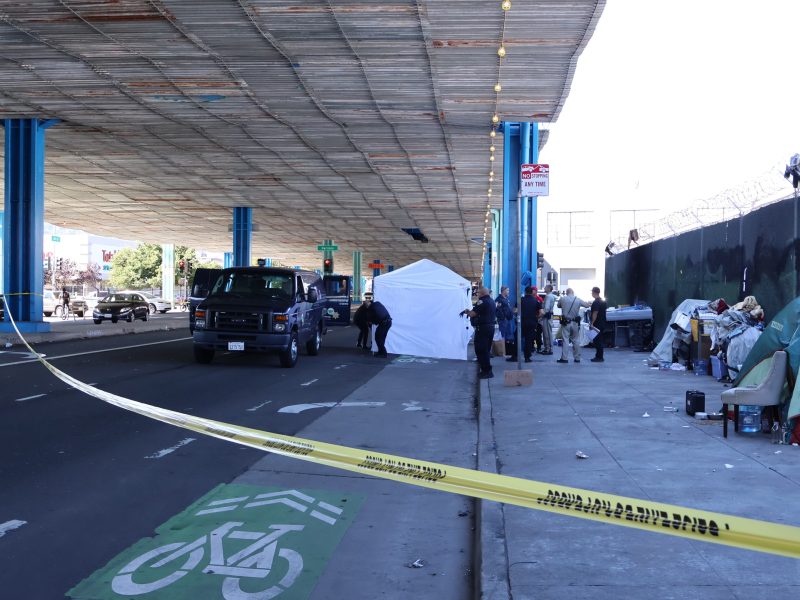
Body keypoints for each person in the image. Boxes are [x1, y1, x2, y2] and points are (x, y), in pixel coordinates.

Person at [464, 287, 496, 379]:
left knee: (481, 350)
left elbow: (473, 314)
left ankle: (487, 371)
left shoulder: (481, 301)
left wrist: (467, 312)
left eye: (478, 293)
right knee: (486, 349)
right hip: (490, 327)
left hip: (483, 328)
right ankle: (487, 370)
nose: (477, 294)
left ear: (482, 293)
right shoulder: (491, 301)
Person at [556, 288, 591, 364]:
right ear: (573, 292)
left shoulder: (563, 299)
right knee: (576, 340)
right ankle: (577, 358)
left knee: (565, 340)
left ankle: (564, 358)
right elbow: (587, 305)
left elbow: (558, 306)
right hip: (575, 323)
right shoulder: (578, 299)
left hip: (566, 323)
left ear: (567, 293)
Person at [516, 286, 541, 362]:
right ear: (532, 292)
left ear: (525, 292)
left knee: (517, 338)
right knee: (529, 340)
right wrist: (536, 317)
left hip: (522, 322)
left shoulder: (520, 300)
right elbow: (542, 312)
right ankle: (527, 357)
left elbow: (515, 311)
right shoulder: (536, 301)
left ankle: (515, 355)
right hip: (532, 322)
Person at [589, 286, 607, 362]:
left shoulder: (596, 302)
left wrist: (592, 323)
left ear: (594, 292)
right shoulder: (603, 301)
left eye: (592, 292)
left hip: (597, 324)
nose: (591, 293)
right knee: (599, 340)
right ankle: (599, 356)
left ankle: (599, 357)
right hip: (602, 323)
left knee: (597, 341)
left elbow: (595, 313)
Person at [540, 284, 556, 355]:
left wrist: (540, 315)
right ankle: (548, 348)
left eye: (545, 287)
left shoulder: (548, 296)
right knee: (548, 332)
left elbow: (546, 308)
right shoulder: (551, 296)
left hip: (546, 317)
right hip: (549, 316)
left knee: (547, 333)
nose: (544, 288)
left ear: (549, 289)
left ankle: (548, 348)